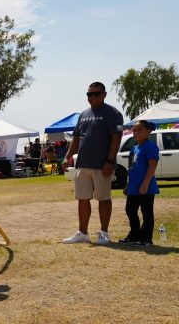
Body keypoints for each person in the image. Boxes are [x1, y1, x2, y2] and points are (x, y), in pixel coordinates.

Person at [61, 82, 124, 246]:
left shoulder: (112, 113)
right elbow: (75, 138)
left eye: (96, 93)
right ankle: (82, 233)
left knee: (103, 198)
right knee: (82, 198)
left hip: (102, 165)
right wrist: (67, 157)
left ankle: (104, 233)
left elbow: (116, 138)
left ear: (104, 94)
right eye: (89, 94)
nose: (93, 97)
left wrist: (110, 160)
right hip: (83, 164)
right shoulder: (83, 114)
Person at [120, 120, 159, 247]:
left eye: (140, 129)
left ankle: (146, 239)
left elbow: (152, 166)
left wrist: (145, 183)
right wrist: (128, 184)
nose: (136, 132)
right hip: (133, 187)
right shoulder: (134, 148)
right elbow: (131, 168)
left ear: (148, 131)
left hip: (146, 187)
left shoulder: (150, 147)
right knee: (130, 210)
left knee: (147, 213)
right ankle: (134, 235)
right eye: (134, 130)